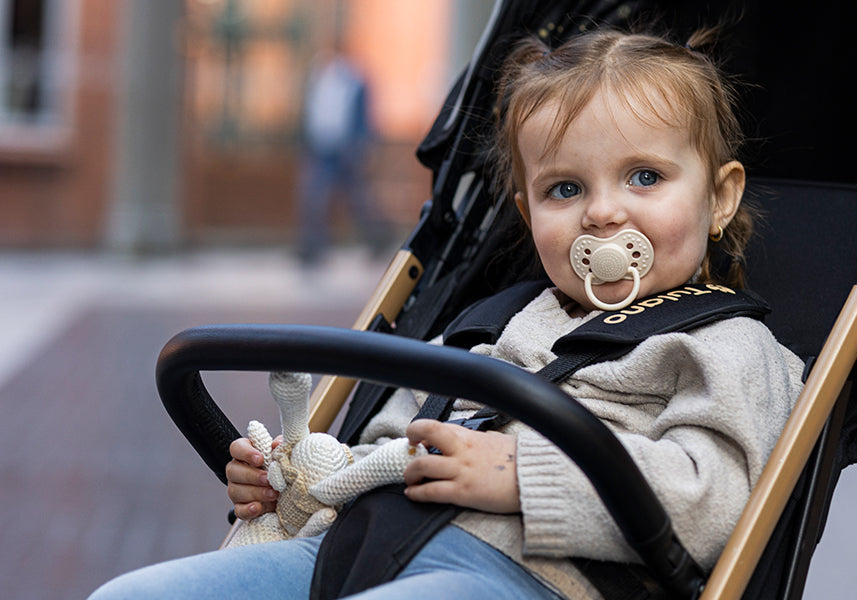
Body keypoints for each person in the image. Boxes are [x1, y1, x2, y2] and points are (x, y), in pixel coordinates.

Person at [89, 28, 804, 600]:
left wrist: (524, 472)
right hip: (355, 553)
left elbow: (716, 501)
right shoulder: (485, 324)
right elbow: (389, 452)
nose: (604, 210)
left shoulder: (728, 346)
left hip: (530, 578)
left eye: (644, 176)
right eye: (564, 188)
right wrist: (300, 481)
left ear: (719, 198)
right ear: (527, 215)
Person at [296, 40, 383, 266]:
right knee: (315, 196)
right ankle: (313, 247)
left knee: (358, 201)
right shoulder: (319, 79)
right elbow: (314, 114)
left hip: (347, 149)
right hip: (324, 147)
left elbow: (363, 116)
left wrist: (361, 146)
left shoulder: (354, 81)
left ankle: (378, 239)